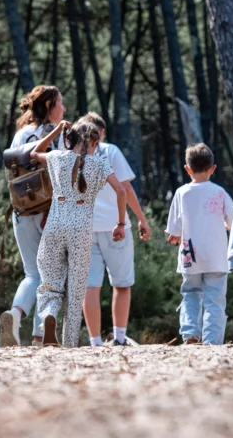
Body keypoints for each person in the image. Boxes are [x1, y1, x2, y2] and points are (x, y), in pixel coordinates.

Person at [32, 119, 127, 347]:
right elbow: (121, 190)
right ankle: (69, 344)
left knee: (50, 280)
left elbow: (35, 153)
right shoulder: (100, 164)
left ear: (70, 139)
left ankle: (49, 317)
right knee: (76, 290)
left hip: (55, 225)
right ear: (95, 141)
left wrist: (57, 129)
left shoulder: (56, 157)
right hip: (82, 229)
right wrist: (120, 223)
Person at [0, 85, 66, 347]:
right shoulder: (51, 134)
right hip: (48, 211)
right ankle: (42, 332)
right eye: (60, 103)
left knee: (31, 273)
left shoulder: (20, 135)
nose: (63, 109)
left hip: (20, 210)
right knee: (52, 274)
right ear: (49, 105)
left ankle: (14, 315)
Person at [81, 112, 151, 347]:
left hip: (85, 228)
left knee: (90, 286)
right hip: (114, 225)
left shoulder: (72, 157)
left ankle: (95, 341)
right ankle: (119, 338)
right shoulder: (110, 151)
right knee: (121, 283)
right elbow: (125, 188)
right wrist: (141, 219)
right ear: (100, 133)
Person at [166, 144, 233, 345]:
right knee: (215, 299)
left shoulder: (182, 193)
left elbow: (174, 230)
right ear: (213, 168)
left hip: (190, 255)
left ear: (187, 169)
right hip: (216, 255)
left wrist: (176, 235)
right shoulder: (219, 192)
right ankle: (212, 341)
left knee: (190, 294)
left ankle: (190, 334)